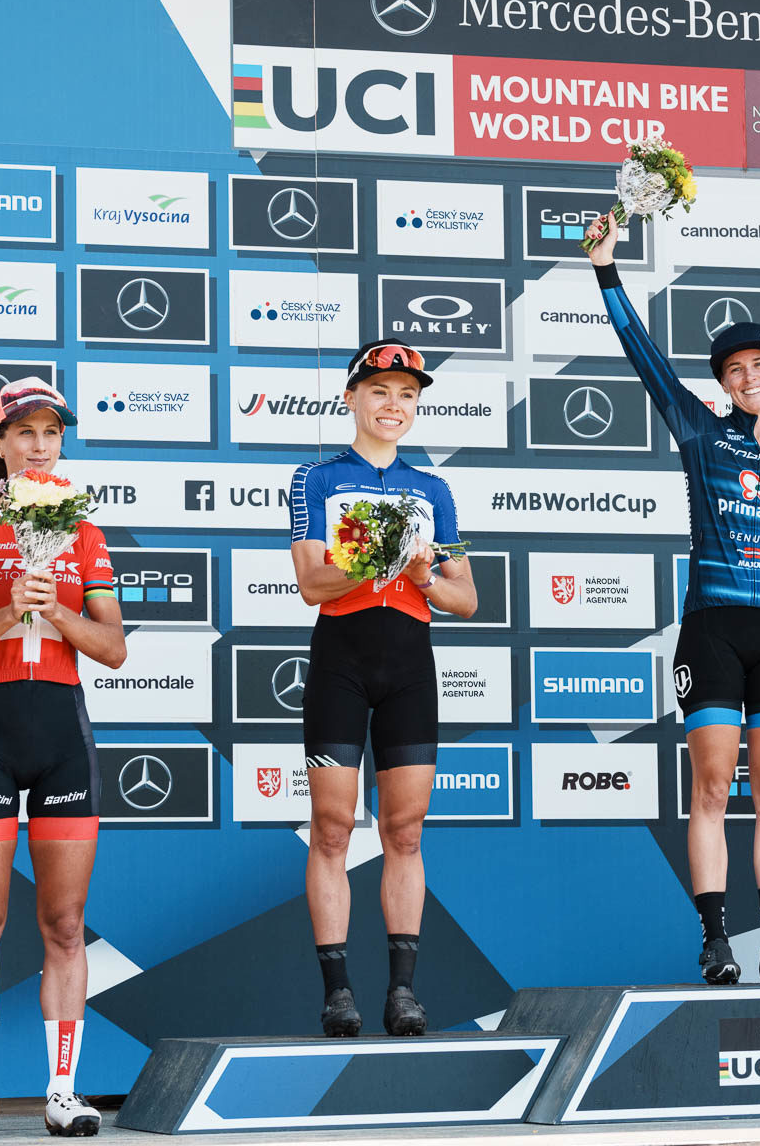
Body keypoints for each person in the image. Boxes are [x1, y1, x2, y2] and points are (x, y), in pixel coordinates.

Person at [585, 215, 760, 986]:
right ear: (723, 384)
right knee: (710, 787)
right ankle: (714, 941)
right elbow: (644, 358)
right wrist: (606, 271)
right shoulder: (701, 434)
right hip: (712, 630)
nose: (749, 377)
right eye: (735, 370)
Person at [0, 378, 126, 1139]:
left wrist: (57, 609)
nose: (40, 445)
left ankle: (62, 1093)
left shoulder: (87, 536)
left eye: (51, 432)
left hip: (62, 737)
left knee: (66, 924)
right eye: (25, 432)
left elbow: (113, 650)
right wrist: (8, 609)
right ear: (0, 442)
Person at [288, 339, 478, 1039]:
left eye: (406, 395)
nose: (393, 405)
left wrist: (422, 575)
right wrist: (380, 557)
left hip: (409, 666)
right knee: (332, 828)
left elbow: (466, 599)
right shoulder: (316, 478)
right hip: (341, 659)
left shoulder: (433, 490)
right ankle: (338, 993)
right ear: (351, 398)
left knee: (405, 831)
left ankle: (403, 992)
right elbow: (312, 584)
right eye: (379, 391)